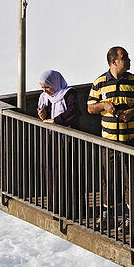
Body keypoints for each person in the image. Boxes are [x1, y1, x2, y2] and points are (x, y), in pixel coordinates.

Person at [87, 47, 134, 225]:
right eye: (125, 57)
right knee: (109, 180)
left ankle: (131, 218)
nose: (129, 60)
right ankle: (108, 214)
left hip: (132, 140)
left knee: (131, 180)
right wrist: (105, 106)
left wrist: (132, 111)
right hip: (109, 141)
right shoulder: (99, 82)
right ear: (114, 61)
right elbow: (90, 107)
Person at [37, 70, 80, 213]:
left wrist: (56, 121)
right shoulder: (45, 97)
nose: (45, 91)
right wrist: (42, 115)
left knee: (67, 171)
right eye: (43, 88)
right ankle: (55, 206)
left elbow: (73, 111)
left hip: (65, 140)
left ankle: (72, 208)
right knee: (50, 170)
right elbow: (45, 115)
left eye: (47, 87)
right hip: (50, 139)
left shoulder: (68, 93)